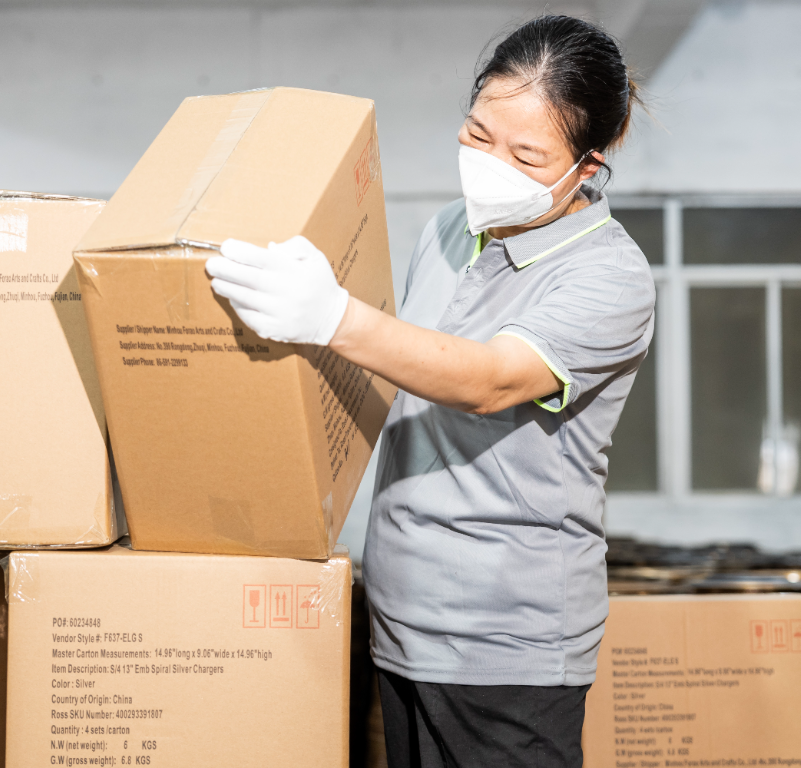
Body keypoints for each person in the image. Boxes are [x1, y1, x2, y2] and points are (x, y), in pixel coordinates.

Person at [205, 14, 655, 768]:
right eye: (478, 135)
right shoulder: (449, 229)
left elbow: (487, 380)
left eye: (525, 154)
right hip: (400, 623)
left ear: (588, 166)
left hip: (504, 646)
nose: (490, 166)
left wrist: (335, 316)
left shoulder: (609, 277)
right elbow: (404, 369)